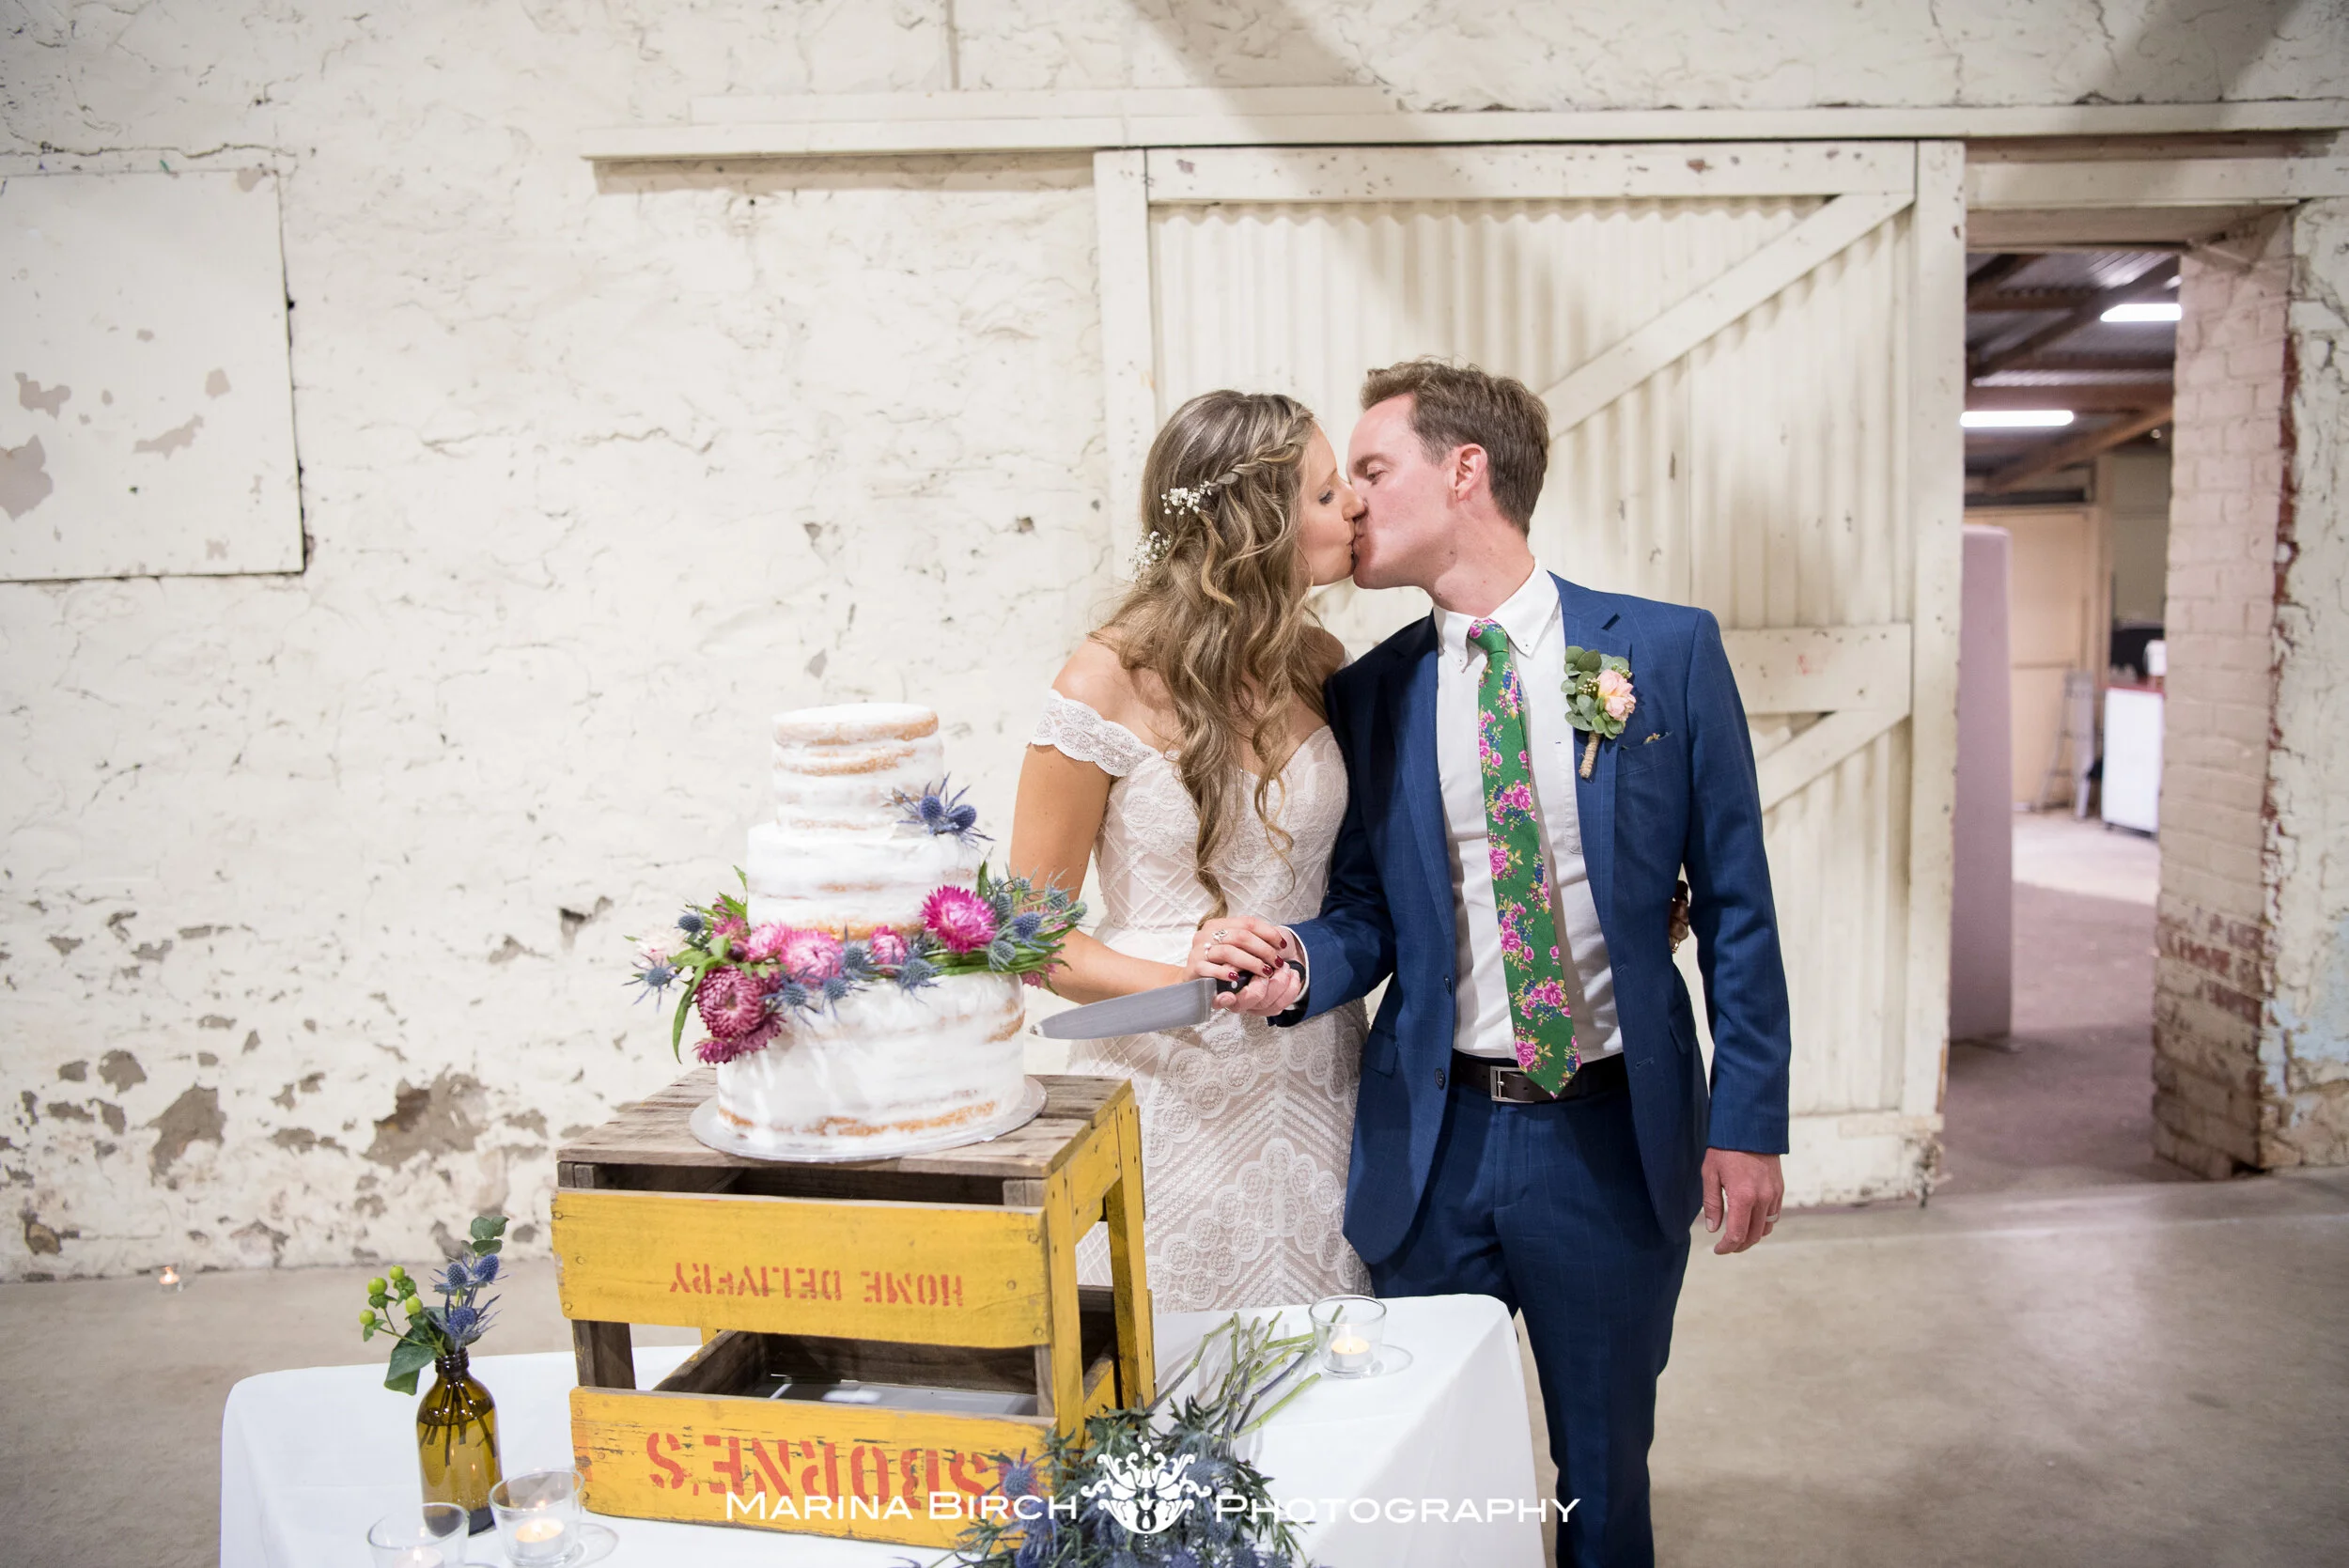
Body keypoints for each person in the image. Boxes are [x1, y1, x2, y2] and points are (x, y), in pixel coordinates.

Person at [1220, 359, 1795, 1567]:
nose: (1352, 503)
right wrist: (1299, 970)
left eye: (1372, 471)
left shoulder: (1665, 655)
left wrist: (1747, 1122)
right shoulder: (1371, 690)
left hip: (1608, 1139)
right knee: (1430, 1458)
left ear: (1464, 470)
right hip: (1434, 1145)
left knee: (1599, 1468)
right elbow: (1371, 908)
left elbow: (1735, 905)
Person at [1006, 388, 1372, 1311]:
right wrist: (1184, 978)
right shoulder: (1104, 680)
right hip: (1169, 1090)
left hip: (1321, 1075)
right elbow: (1027, 935)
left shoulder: (1324, 664)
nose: (1354, 507)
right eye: (1327, 495)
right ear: (1256, 525)